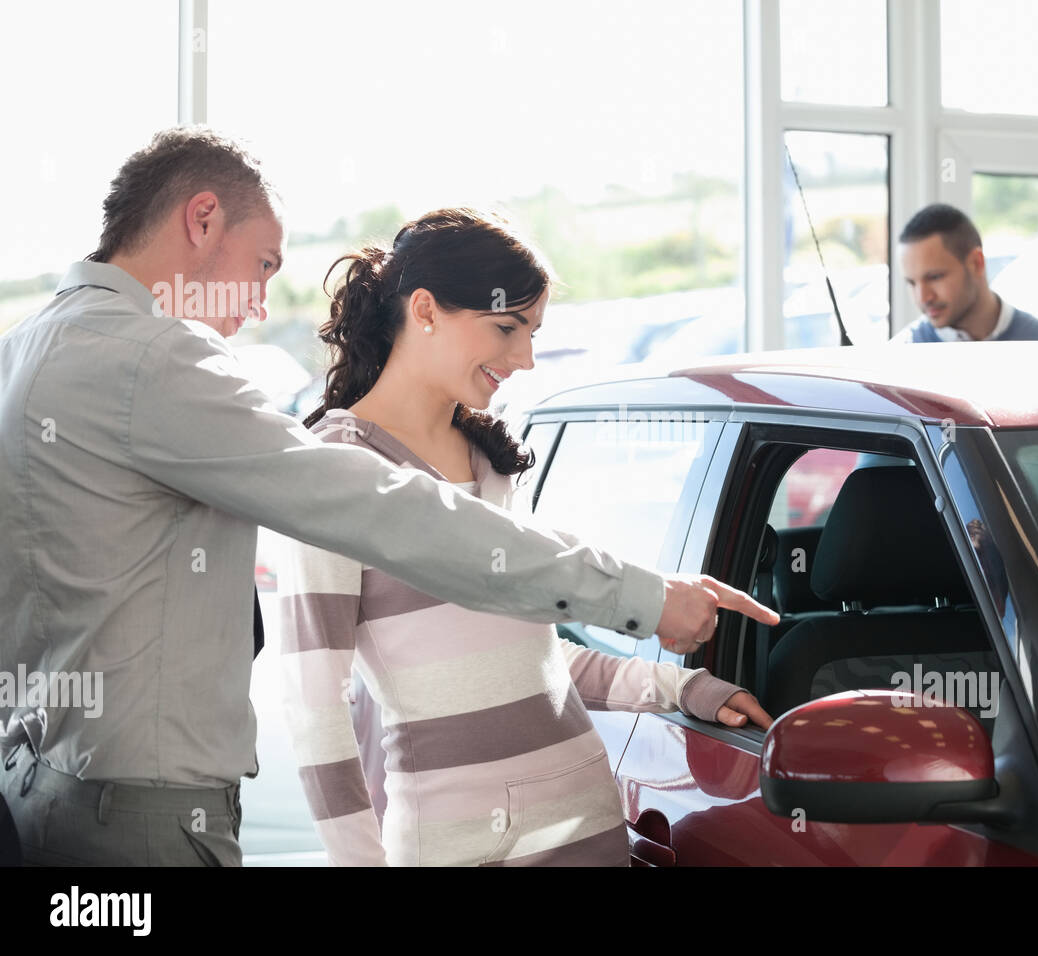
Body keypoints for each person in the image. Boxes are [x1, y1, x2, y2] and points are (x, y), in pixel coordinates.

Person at [0, 127, 778, 867]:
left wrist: (679, 682)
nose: (263, 304)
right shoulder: (150, 364)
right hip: (140, 815)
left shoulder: (27, 349)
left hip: (46, 779)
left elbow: (518, 651)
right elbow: (382, 512)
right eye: (265, 264)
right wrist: (641, 595)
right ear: (202, 219)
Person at [279, 209, 770, 865]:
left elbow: (531, 661)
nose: (526, 357)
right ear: (425, 310)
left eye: (532, 332)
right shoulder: (337, 472)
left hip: (586, 822)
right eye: (509, 328)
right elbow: (315, 709)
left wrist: (686, 690)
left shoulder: (489, 460)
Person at [890, 203, 1038, 343]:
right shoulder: (901, 359)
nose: (923, 297)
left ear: (976, 263)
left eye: (935, 277)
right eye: (912, 283)